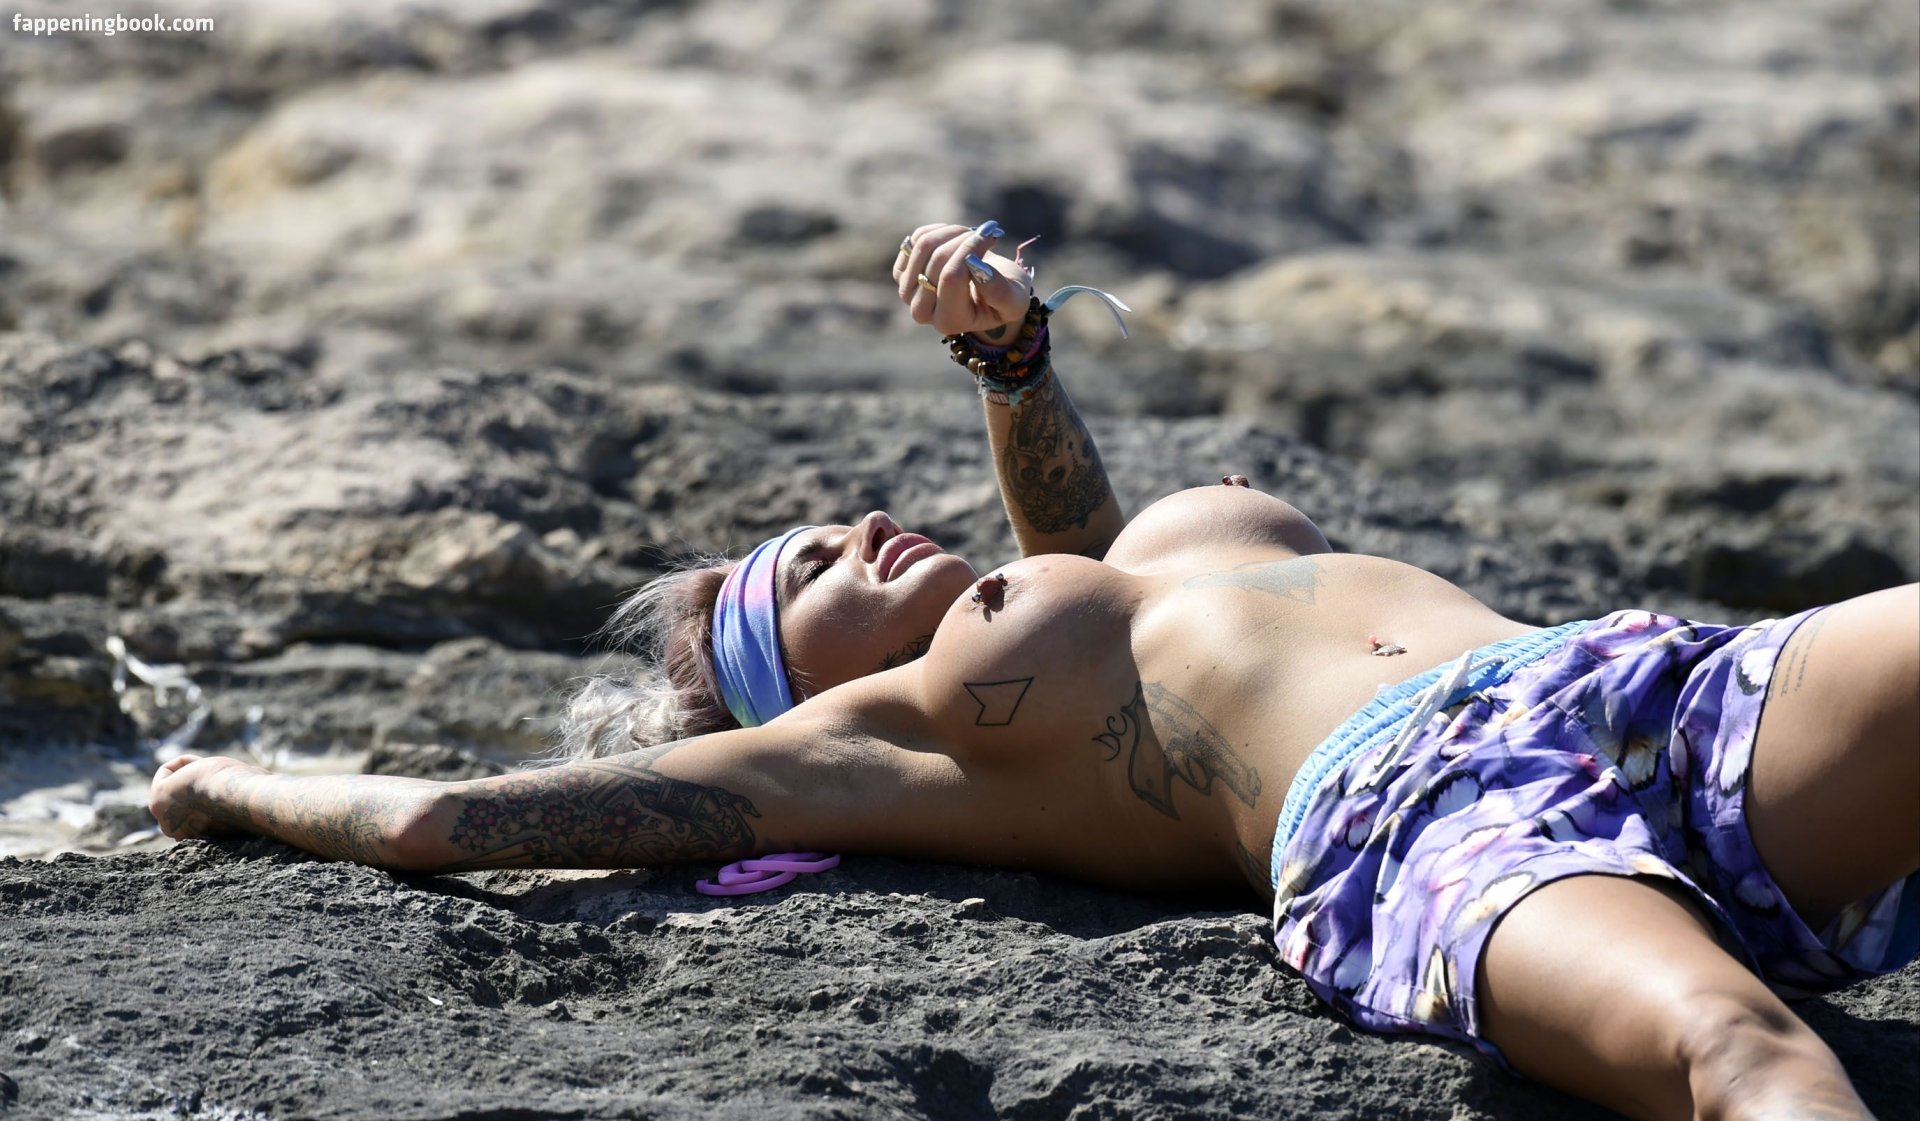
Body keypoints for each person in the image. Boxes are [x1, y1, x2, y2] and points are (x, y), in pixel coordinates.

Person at [150, 220, 1918, 1121]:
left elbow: (1091, 557)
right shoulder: (881, 744)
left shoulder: (1110, 576)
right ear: (791, 699)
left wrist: (1009, 361)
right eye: (813, 571)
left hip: (1633, 686)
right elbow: (444, 821)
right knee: (1732, 1047)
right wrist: (214, 785)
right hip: (1416, 815)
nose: (859, 523)